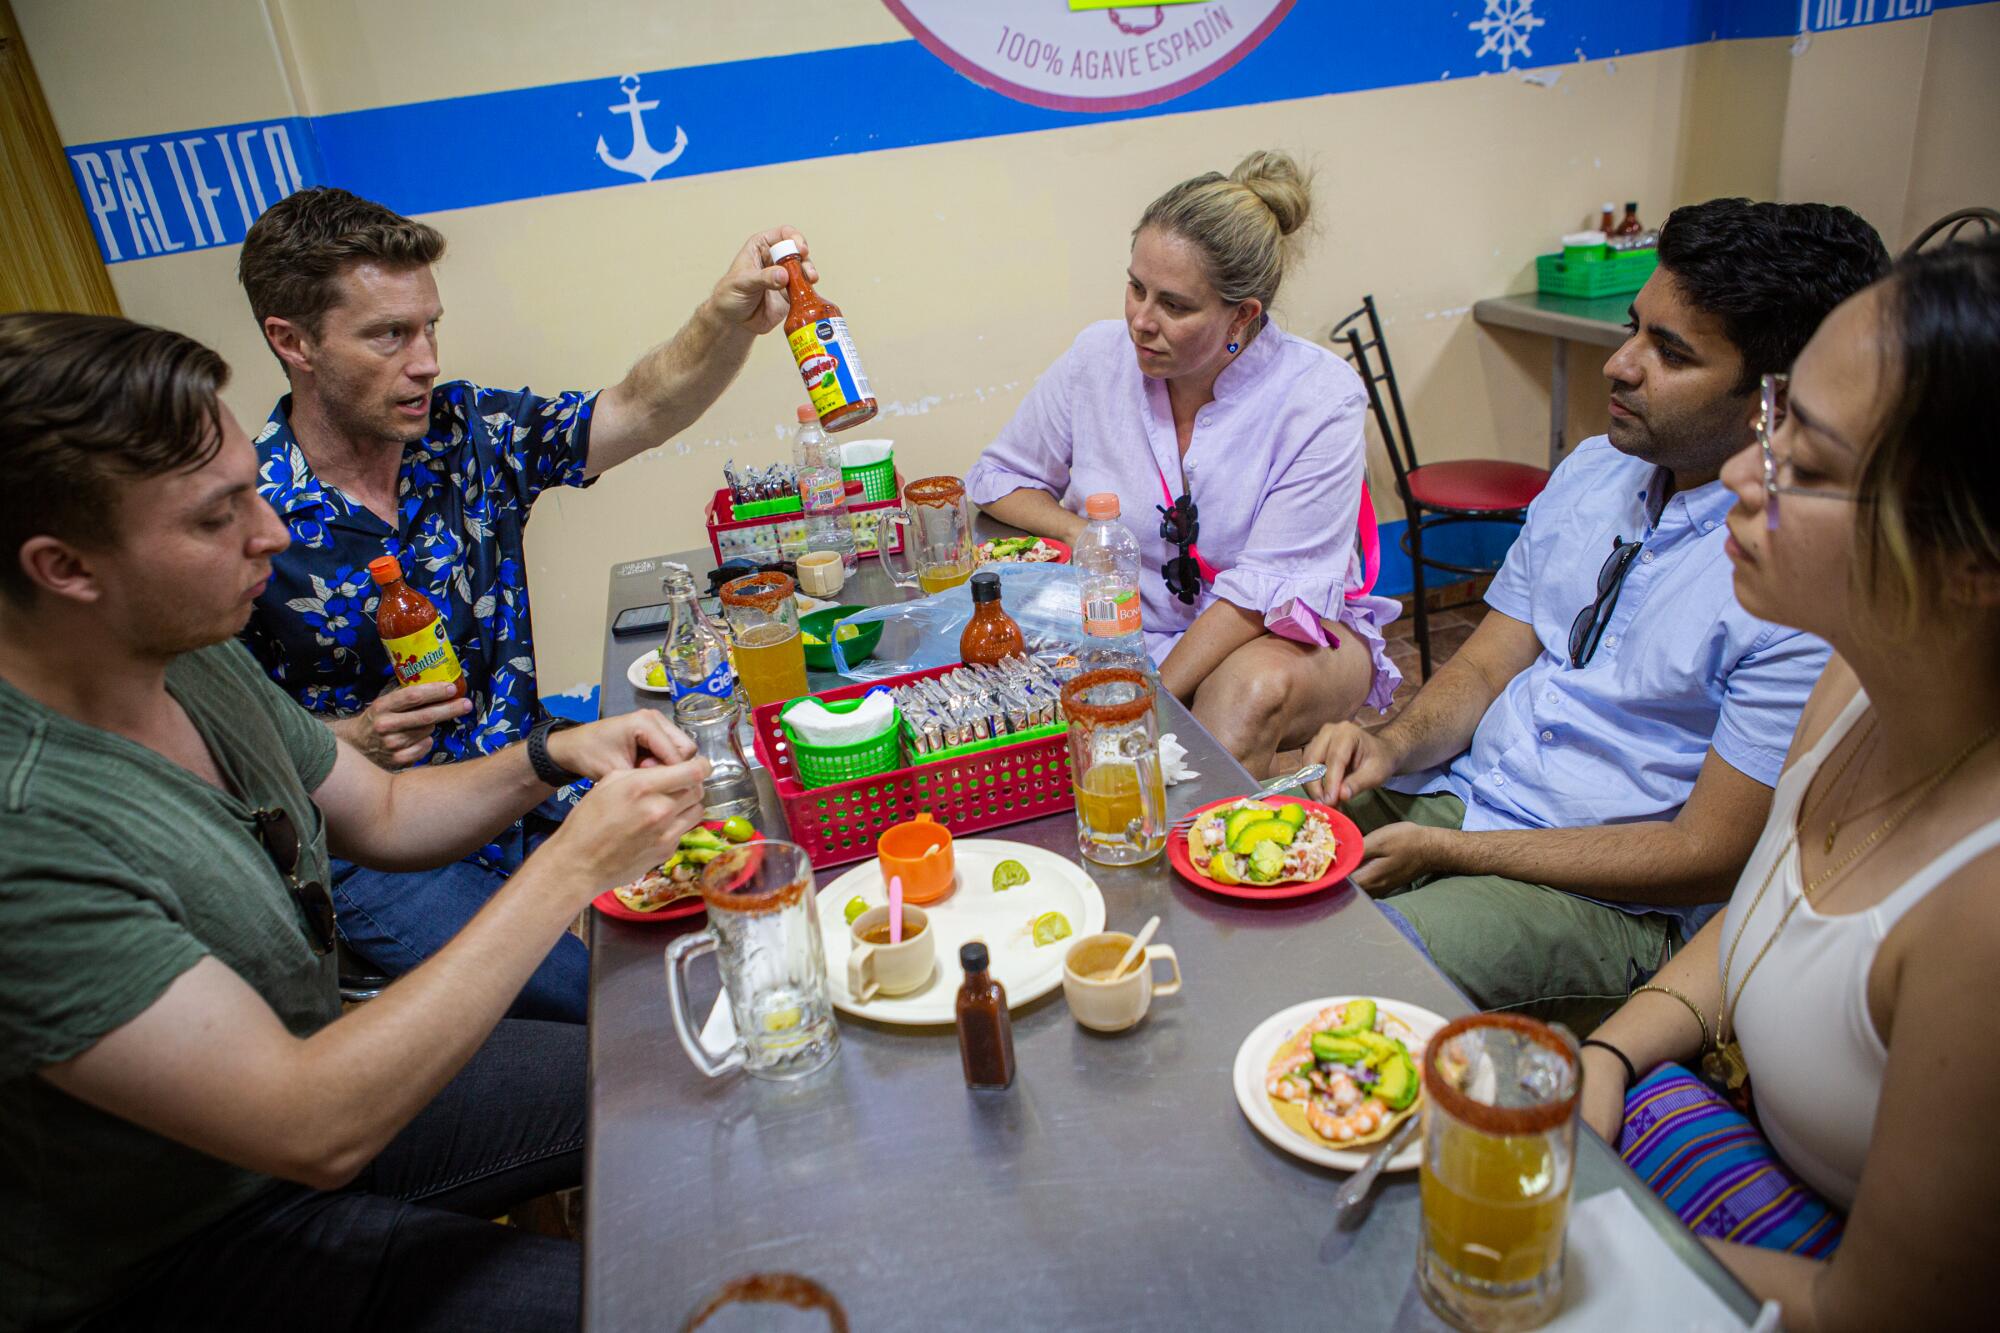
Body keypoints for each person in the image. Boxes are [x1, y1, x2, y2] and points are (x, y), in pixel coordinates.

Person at [0, 313, 710, 1331]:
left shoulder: (184, 652)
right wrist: (571, 868)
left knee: (664, 1053)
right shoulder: (26, 831)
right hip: (176, 1250)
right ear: (65, 567)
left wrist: (550, 757)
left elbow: (377, 810)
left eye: (255, 486)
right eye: (215, 517)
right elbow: (312, 1125)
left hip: (302, 1095)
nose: (272, 533)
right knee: (660, 1312)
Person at [1304, 199, 1891, 1029]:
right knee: (1256, 846)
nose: (1618, 365)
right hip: (1474, 798)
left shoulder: (1793, 579)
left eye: (1671, 353)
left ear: (1777, 401)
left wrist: (1453, 853)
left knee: (1350, 966)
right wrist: (1389, 745)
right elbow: (1481, 664)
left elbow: (1704, 854)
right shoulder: (1595, 470)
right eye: (1633, 328)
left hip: (1610, 896)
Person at [234, 189, 811, 1021]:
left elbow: (637, 409)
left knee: (738, 901)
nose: (426, 359)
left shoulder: (461, 430)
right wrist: (344, 743)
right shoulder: (247, 518)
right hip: (383, 856)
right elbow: (217, 747)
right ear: (293, 343)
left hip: (535, 784)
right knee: (620, 1013)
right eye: (389, 334)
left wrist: (724, 321)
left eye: (430, 325)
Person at [1578, 235, 2000, 1330]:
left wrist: (1568, 1238)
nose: (1733, 474)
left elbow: (1879, 1308)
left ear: (1971, 560)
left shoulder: (1980, 914)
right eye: (1773, 425)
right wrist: (1611, 1049)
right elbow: (1767, 911)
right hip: (1724, 1137)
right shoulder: (1853, 678)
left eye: (1802, 468)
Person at [964, 151, 1400, 778]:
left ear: (1241, 316)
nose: (1141, 322)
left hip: (1280, 633)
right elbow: (1001, 478)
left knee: (1246, 694)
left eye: (1175, 305)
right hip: (1129, 629)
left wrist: (1151, 695)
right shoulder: (1097, 358)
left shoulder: (1319, 397)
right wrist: (1079, 531)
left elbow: (1263, 593)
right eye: (1136, 288)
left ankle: (1200, 848)